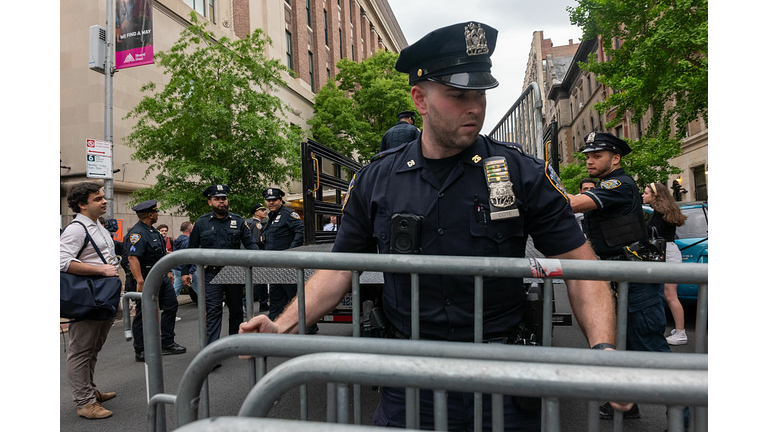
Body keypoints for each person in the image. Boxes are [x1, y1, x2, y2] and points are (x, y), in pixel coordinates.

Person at [241, 22, 621, 431]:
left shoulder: (520, 173)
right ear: (420, 99)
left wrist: (604, 353)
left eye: (480, 94)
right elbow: (338, 270)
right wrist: (281, 325)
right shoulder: (377, 179)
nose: (474, 107)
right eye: (458, 95)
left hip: (503, 379)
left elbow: (584, 270)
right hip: (410, 382)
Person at [567, 132, 671, 420]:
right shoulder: (608, 185)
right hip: (619, 274)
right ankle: (624, 403)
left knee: (649, 345)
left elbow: (574, 204)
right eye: (587, 156)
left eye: (596, 156)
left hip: (634, 277)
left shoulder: (619, 185)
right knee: (621, 341)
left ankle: (683, 415)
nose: (589, 160)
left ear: (615, 158)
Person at [60, 182, 120, 419]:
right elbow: (60, 260)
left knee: (93, 349)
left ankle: (90, 391)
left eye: (103, 197)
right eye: (98, 199)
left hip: (103, 296)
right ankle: (84, 403)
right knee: (80, 351)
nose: (104, 201)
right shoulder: (76, 229)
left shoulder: (98, 226)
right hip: (89, 297)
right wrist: (102, 271)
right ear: (82, 205)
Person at [181, 185, 261, 346]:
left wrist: (259, 261)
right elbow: (191, 248)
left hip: (234, 273)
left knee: (236, 310)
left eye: (223, 198)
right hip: (212, 274)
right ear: (210, 202)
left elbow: (251, 244)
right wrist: (185, 271)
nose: (221, 202)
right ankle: (212, 350)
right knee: (213, 311)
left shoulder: (238, 221)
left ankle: (235, 343)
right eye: (217, 199)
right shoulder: (202, 223)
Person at [124, 200, 187, 362]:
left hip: (160, 276)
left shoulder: (153, 232)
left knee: (171, 305)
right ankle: (141, 349)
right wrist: (140, 281)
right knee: (143, 313)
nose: (158, 214)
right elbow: (132, 258)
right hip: (145, 278)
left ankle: (167, 343)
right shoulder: (137, 233)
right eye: (156, 212)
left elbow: (159, 254)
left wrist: (167, 271)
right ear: (150, 214)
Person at [261, 188, 319, 334]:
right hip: (275, 267)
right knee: (275, 299)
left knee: (294, 299)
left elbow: (301, 230)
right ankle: (274, 328)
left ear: (281, 200)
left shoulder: (288, 214)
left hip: (287, 266)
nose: (271, 202)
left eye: (274, 200)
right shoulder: (271, 217)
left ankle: (309, 327)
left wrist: (291, 252)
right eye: (268, 200)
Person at [642, 182, 688, 345]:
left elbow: (653, 232)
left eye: (646, 193)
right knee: (667, 294)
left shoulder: (661, 212)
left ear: (655, 195)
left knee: (670, 295)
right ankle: (677, 330)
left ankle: (681, 333)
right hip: (666, 251)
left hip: (666, 253)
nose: (643, 195)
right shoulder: (662, 211)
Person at [247, 203, 269, 312]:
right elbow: (256, 241)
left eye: (264, 210)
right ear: (256, 213)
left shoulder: (259, 224)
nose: (264, 212)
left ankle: (264, 304)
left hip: (260, 255)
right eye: (262, 210)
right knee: (257, 282)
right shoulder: (257, 225)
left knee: (262, 281)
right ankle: (245, 303)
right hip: (258, 254)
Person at [172, 221, 197, 300]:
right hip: (187, 270)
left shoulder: (179, 240)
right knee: (200, 289)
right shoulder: (188, 241)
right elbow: (189, 257)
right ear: (190, 229)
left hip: (178, 269)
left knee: (175, 290)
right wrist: (190, 271)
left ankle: (165, 303)